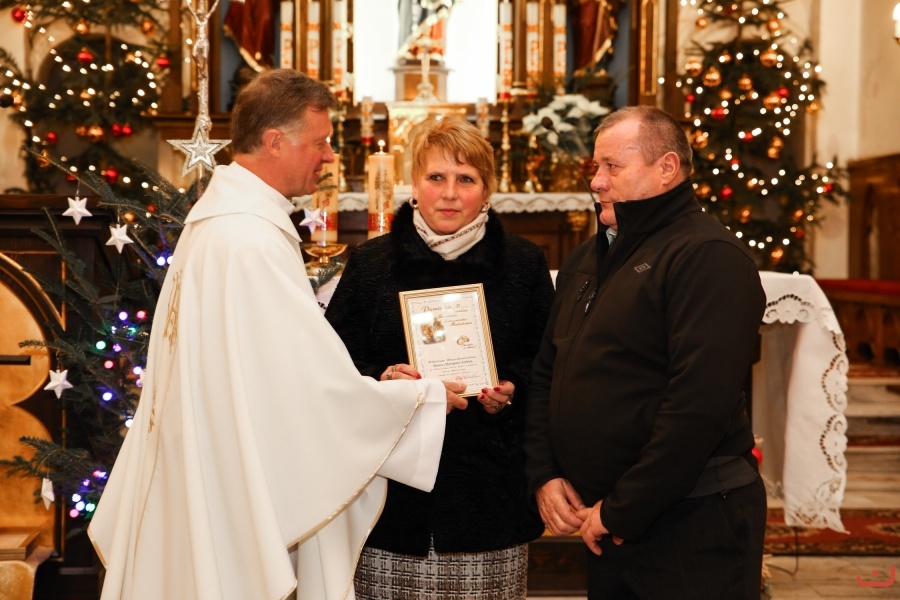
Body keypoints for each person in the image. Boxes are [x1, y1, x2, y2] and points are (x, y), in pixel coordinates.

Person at [88, 70, 468, 600]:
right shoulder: (249, 239)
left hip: (209, 469)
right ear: (274, 142)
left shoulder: (224, 223)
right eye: (320, 142)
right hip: (227, 484)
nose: (330, 156)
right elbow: (310, 389)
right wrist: (419, 398)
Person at [524, 105, 767, 600]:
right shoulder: (587, 259)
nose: (596, 181)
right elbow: (548, 373)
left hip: (691, 521)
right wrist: (545, 474)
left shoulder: (708, 257)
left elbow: (696, 408)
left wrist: (623, 509)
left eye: (613, 166)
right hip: (606, 521)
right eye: (596, 166)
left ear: (667, 168)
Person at [325, 116, 555, 599]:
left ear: (487, 190)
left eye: (466, 179)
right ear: (414, 184)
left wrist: (512, 387)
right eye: (436, 177)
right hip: (393, 501)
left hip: (489, 492)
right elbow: (334, 364)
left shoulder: (524, 264)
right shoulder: (371, 264)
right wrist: (384, 379)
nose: (450, 193)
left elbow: (547, 358)